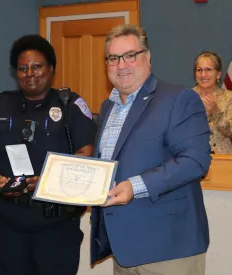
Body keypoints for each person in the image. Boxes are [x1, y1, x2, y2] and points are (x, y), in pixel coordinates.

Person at [0, 34, 96, 275]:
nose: (30, 73)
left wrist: (50, 179)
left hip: (56, 226)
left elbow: (86, 154)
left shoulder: (71, 105)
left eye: (37, 66)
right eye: (23, 68)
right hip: (7, 225)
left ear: (51, 69)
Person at [90, 24, 211, 275]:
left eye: (130, 55)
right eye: (114, 58)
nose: (122, 65)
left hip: (169, 249)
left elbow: (195, 160)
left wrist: (135, 186)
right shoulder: (107, 107)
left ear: (147, 57)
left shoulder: (179, 98)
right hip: (123, 249)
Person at [193, 51, 232, 154]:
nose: (203, 75)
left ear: (218, 74)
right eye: (199, 70)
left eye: (208, 70)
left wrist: (216, 113)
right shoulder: (185, 97)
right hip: (192, 159)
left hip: (223, 162)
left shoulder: (229, 98)